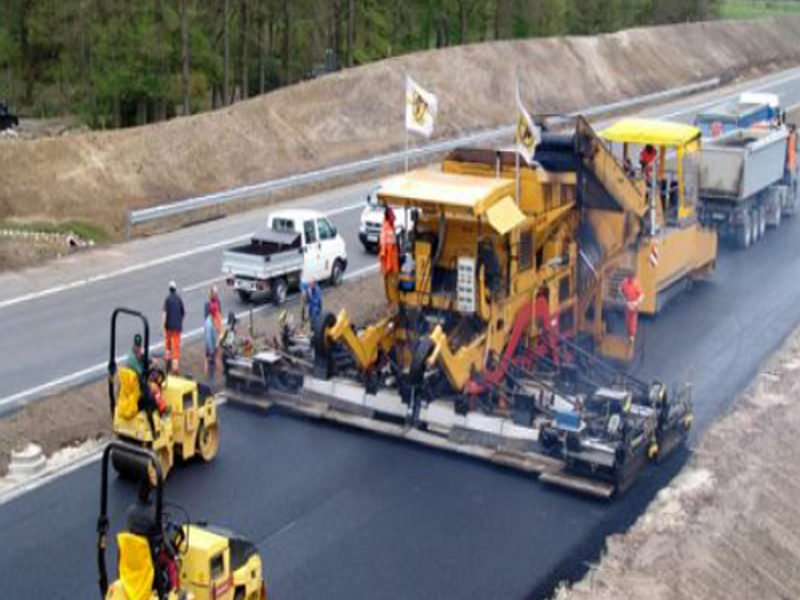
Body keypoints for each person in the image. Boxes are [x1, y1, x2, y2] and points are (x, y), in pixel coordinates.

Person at [162, 281, 185, 373]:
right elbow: (183, 313)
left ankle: (167, 366)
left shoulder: (167, 299)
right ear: (175, 289)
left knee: (168, 346)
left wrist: (163, 327)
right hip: (177, 328)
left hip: (168, 327)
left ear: (169, 289)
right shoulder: (179, 299)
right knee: (175, 348)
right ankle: (175, 370)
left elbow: (164, 313)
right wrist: (179, 322)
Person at [379, 206, 400, 303]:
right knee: (391, 281)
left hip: (390, 262)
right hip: (390, 262)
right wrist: (389, 264)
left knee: (390, 281)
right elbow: (388, 247)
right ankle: (392, 299)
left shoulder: (387, 227)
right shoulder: (388, 229)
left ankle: (391, 298)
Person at [620, 274, 644, 345]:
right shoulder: (625, 283)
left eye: (631, 278)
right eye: (629, 278)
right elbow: (621, 291)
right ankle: (629, 334)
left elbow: (641, 295)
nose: (630, 279)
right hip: (628, 304)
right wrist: (625, 300)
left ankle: (632, 336)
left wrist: (636, 302)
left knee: (633, 320)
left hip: (634, 304)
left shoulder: (636, 284)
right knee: (628, 321)